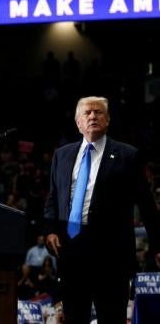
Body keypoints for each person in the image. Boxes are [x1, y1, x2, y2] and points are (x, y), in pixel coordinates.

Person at [43, 96, 160, 324]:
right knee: (75, 317)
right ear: (78, 122)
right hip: (72, 253)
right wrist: (50, 231)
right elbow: (52, 200)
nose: (92, 116)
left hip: (111, 256)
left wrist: (157, 244)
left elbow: (146, 204)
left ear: (107, 120)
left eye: (98, 112)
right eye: (87, 113)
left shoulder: (128, 155)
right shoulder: (62, 155)